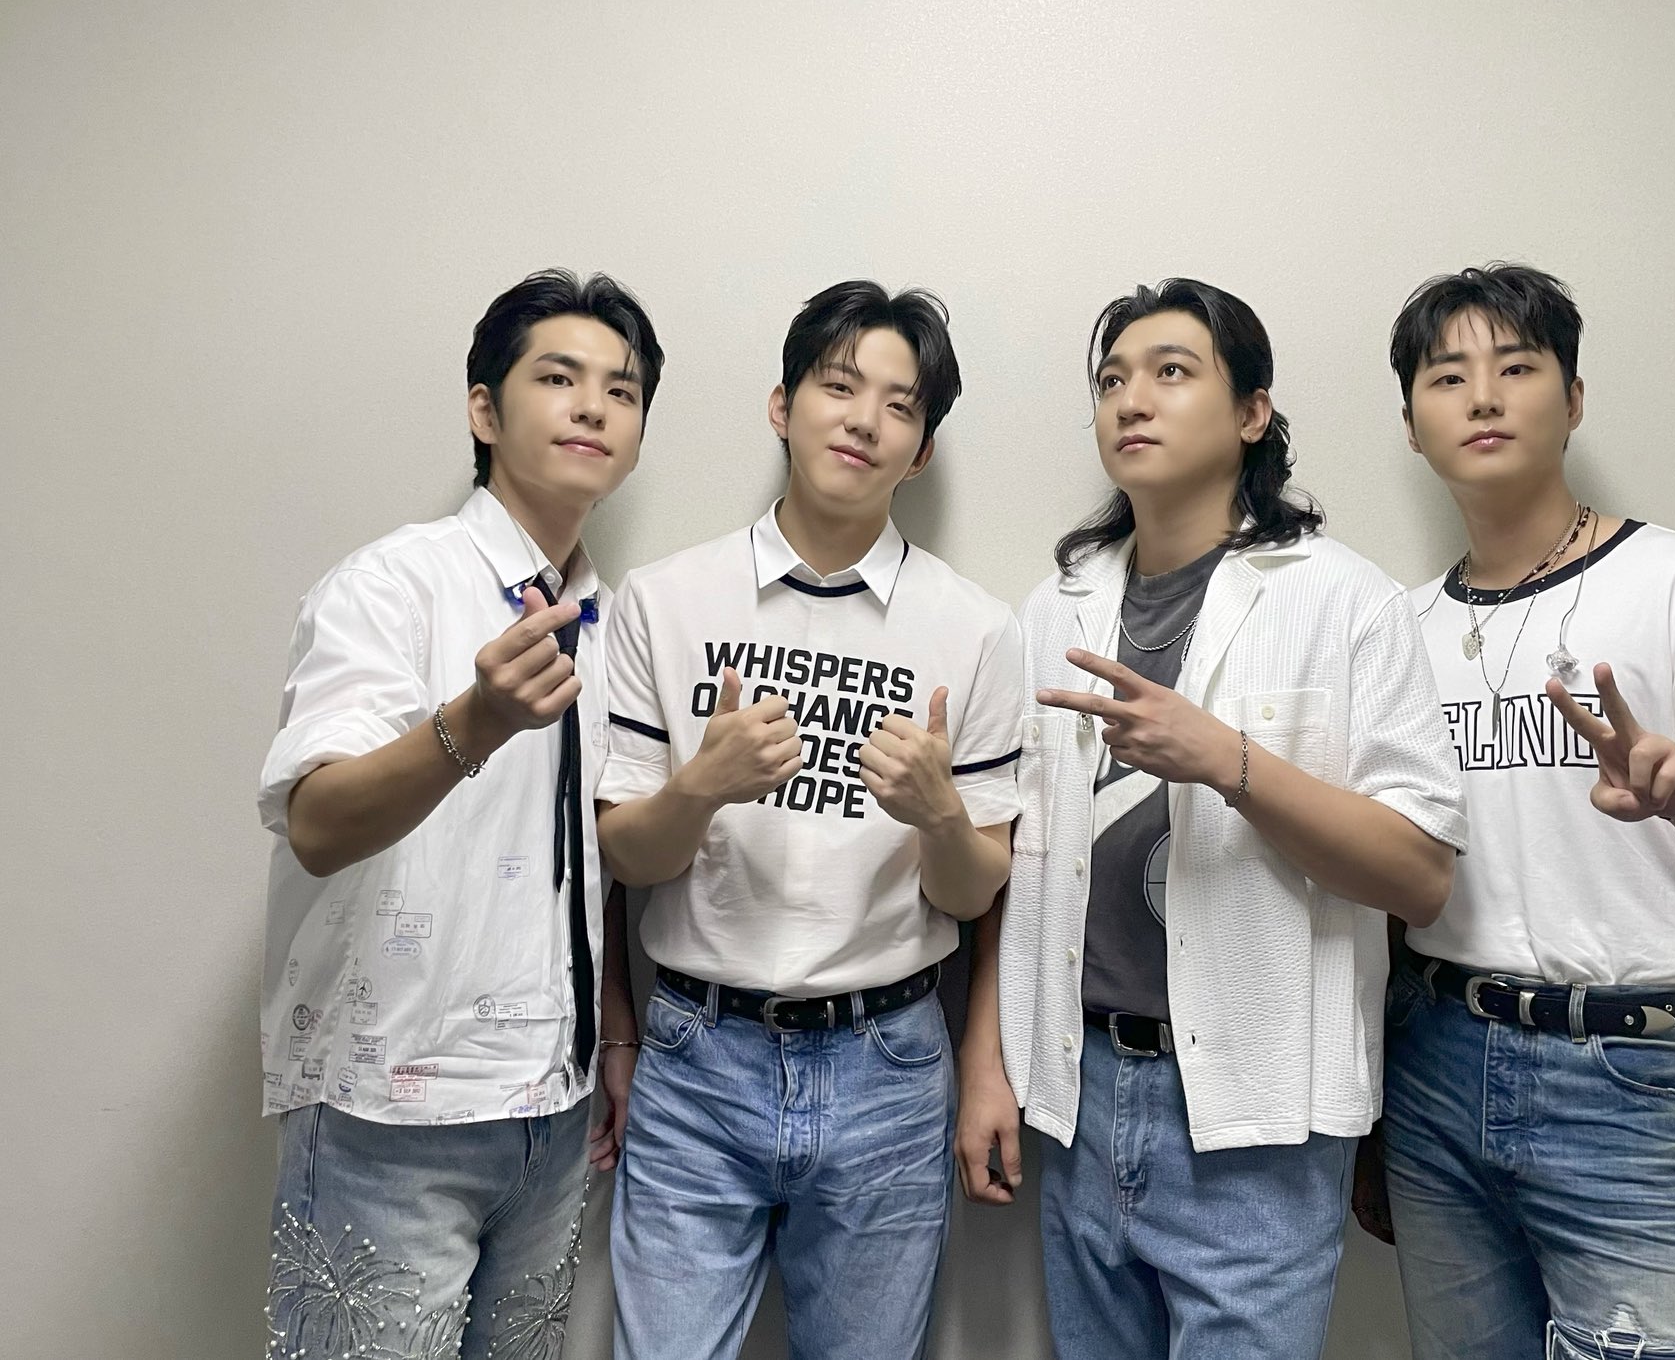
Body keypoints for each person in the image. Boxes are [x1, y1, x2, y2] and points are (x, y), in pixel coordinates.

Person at [957, 278, 1467, 1360]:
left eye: (1170, 372)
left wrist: (1228, 762)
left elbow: (1420, 875)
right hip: (1079, 1092)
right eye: (1110, 381)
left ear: (1250, 413)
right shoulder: (1052, 609)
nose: (1130, 399)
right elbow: (1019, 867)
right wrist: (989, 1064)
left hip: (1259, 1120)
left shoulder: (1344, 600)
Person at [1380, 262, 1675, 1360]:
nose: (1484, 397)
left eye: (1517, 367)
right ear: (1411, 425)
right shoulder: (1397, 630)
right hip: (1434, 1065)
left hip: (1630, 1077)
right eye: (1448, 377)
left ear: (1573, 399)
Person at [597, 281, 1025, 1360]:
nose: (863, 419)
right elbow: (625, 855)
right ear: (781, 406)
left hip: (889, 1061)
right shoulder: (664, 600)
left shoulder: (974, 630)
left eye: (899, 405)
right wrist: (699, 787)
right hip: (697, 1054)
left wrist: (939, 818)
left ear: (920, 452)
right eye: (838, 387)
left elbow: (973, 891)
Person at [258, 268, 662, 1357]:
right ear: (484, 409)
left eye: (622, 391)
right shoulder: (390, 585)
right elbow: (316, 822)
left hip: (554, 1111)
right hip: (389, 1117)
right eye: (558, 378)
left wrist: (613, 1031)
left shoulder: (609, 622)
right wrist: (473, 722)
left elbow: (581, 861)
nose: (592, 406)